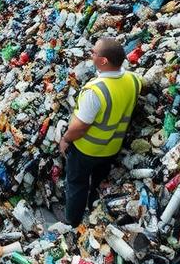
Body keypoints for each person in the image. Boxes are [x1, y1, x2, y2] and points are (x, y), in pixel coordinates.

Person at [58, 37, 142, 227]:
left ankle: (73, 222)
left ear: (103, 61)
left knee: (77, 184)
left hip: (86, 150)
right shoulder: (133, 80)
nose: (91, 54)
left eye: (94, 52)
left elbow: (79, 127)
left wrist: (65, 140)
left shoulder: (96, 91)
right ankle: (95, 212)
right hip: (112, 148)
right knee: (99, 183)